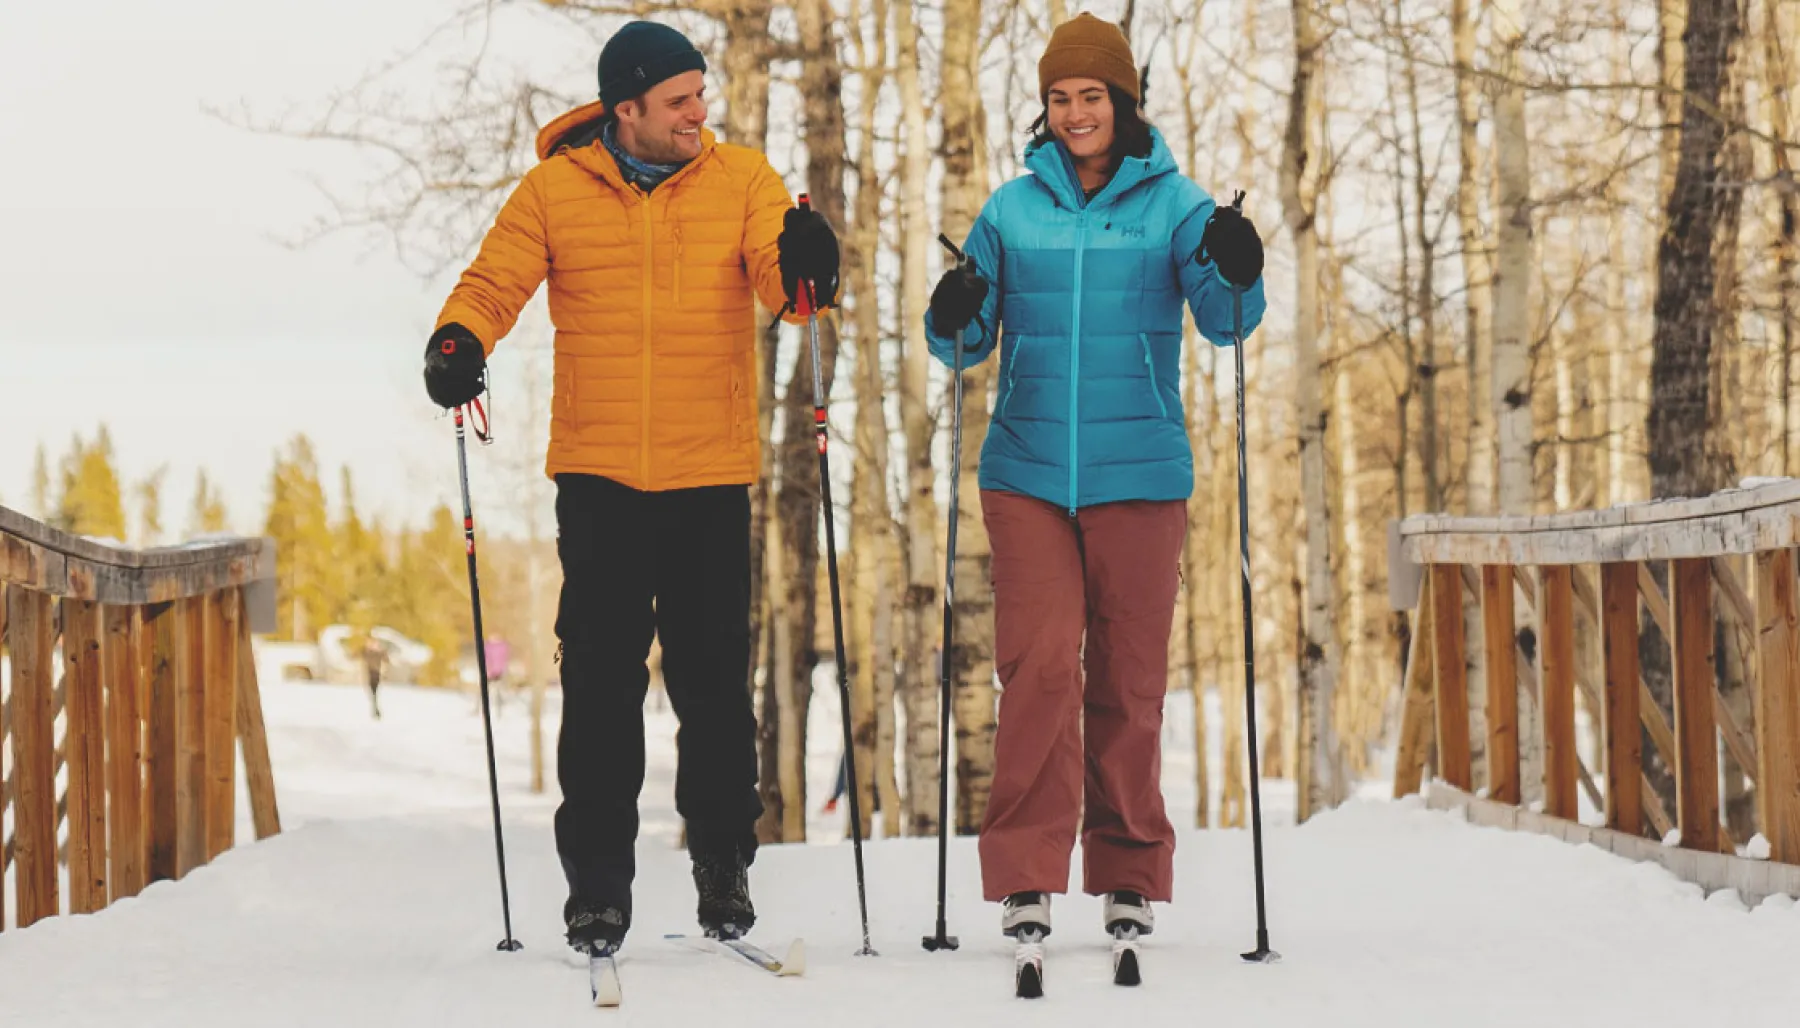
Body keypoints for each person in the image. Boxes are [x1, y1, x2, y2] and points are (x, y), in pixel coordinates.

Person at [420, 19, 840, 956]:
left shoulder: (743, 183)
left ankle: (724, 865)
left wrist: (810, 264)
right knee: (602, 688)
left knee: (714, 689)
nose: (702, 112)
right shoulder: (555, 190)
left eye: (702, 95)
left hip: (708, 473)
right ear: (628, 110)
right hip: (599, 476)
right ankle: (598, 891)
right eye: (682, 99)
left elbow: (788, 286)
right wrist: (459, 339)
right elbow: (493, 282)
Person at [924, 13, 1267, 944]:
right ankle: (1028, 872)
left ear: (1123, 101)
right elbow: (963, 341)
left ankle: (1127, 870)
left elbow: (1228, 318)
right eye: (1059, 99)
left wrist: (1240, 266)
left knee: (1129, 678)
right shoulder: (1012, 209)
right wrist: (952, 308)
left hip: (1141, 473)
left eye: (1091, 96)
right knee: (1037, 669)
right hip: (1028, 470)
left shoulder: (1176, 204)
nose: (1076, 114)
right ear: (1044, 109)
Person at [361, 635, 387, 720]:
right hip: (369, 673)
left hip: (376, 674)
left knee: (374, 693)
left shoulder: (379, 653)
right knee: (372, 693)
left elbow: (386, 660)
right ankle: (375, 710)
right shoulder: (368, 652)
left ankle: (376, 710)